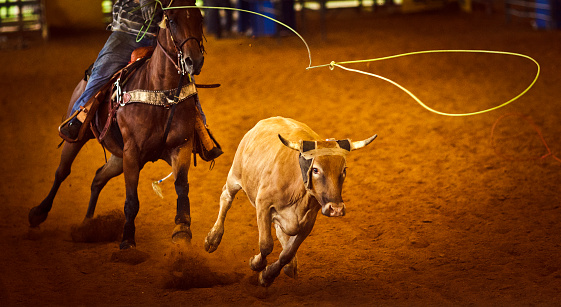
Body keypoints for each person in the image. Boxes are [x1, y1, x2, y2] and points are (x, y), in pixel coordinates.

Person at [59, 0, 222, 161]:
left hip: (161, 34)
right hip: (127, 33)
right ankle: (77, 119)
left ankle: (202, 133)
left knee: (186, 78)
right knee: (102, 70)